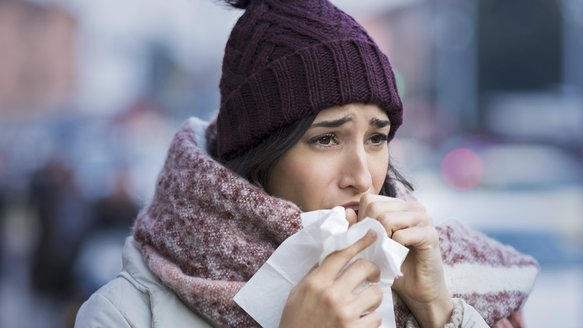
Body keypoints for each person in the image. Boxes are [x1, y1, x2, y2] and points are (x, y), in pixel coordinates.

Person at [75, 0, 538, 327]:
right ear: (259, 157)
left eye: (376, 138)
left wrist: (440, 311)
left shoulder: (439, 275)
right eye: (327, 139)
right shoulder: (127, 314)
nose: (362, 176)